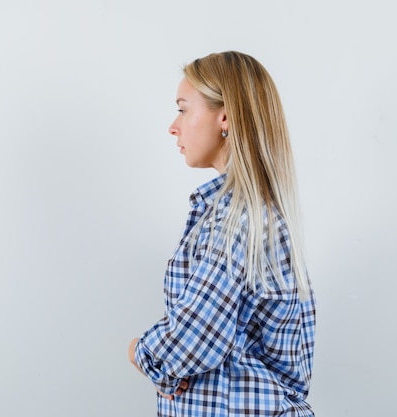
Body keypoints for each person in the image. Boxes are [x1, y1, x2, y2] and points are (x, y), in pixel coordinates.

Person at [127, 51, 316, 417]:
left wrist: (138, 350)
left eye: (183, 109)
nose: (173, 126)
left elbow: (187, 342)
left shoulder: (238, 219)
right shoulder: (241, 213)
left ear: (224, 115)